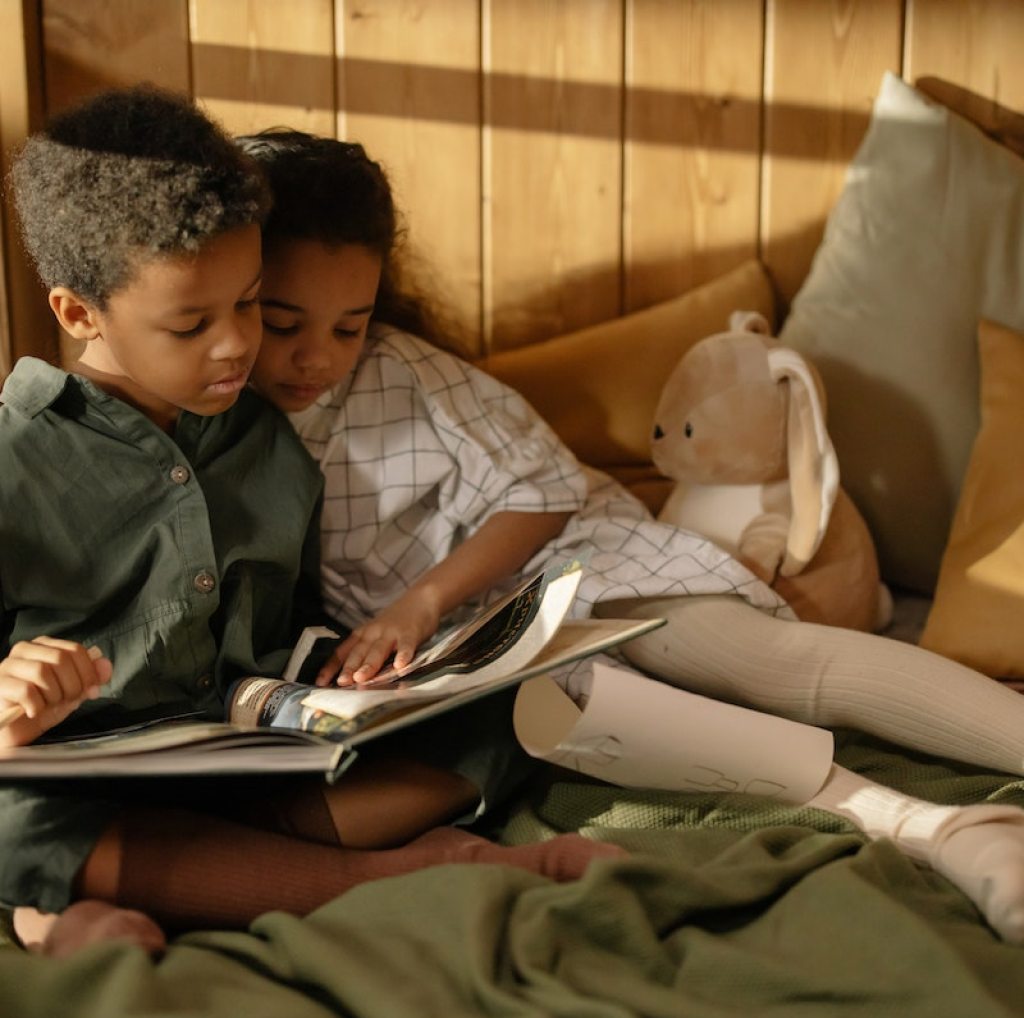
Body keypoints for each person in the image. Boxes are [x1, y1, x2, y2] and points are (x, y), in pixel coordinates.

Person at [240, 127, 1024, 944]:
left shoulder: (404, 372)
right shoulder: (227, 421)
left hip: (576, 563)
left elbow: (545, 490)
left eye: (348, 326)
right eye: (286, 323)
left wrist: (419, 601)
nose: (315, 359)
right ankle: (954, 836)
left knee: (767, 665)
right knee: (661, 737)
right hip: (473, 659)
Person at [0, 87, 620, 960]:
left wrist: (353, 683)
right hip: (82, 781)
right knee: (10, 818)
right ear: (78, 313)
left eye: (251, 304)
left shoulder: (270, 444)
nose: (236, 346)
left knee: (517, 705)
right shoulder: (12, 460)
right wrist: (11, 696)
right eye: (192, 323)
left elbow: (286, 627)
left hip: (247, 761)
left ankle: (93, 906)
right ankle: (402, 876)